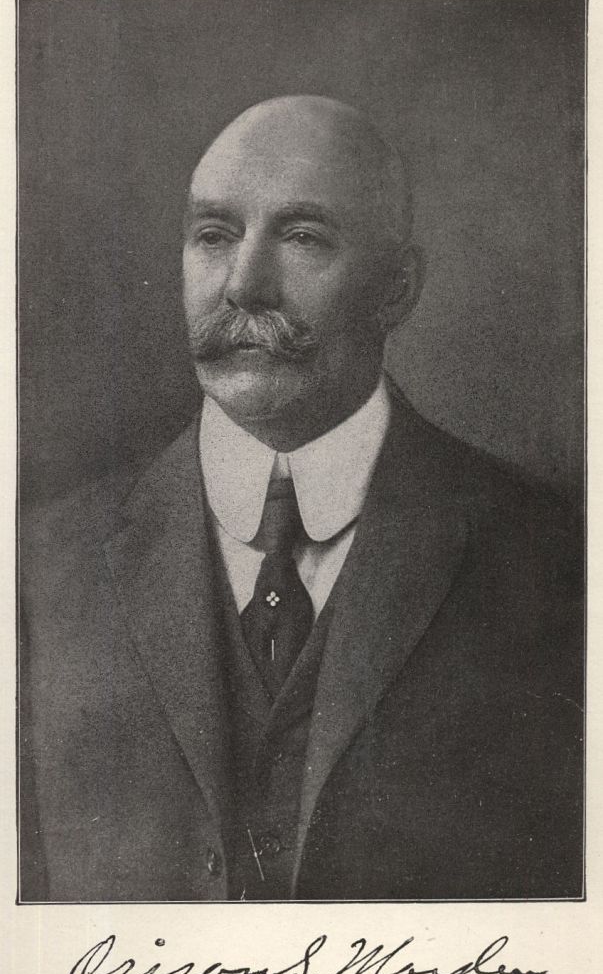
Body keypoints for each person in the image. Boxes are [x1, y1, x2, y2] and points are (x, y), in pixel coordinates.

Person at [19, 95, 583, 902]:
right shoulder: (41, 568)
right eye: (214, 235)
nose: (244, 285)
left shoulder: (552, 558)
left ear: (397, 287)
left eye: (303, 238)